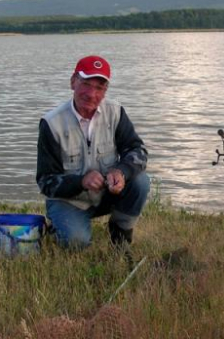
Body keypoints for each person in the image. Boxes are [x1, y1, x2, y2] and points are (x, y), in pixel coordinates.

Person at [36, 55, 149, 251]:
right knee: (76, 243)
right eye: (86, 84)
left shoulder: (116, 112)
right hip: (69, 201)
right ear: (73, 82)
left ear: (105, 91)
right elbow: (46, 182)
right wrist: (80, 182)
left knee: (141, 182)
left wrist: (121, 172)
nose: (91, 94)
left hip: (106, 195)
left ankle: (120, 232)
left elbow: (138, 151)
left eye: (99, 88)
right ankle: (58, 228)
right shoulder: (51, 123)